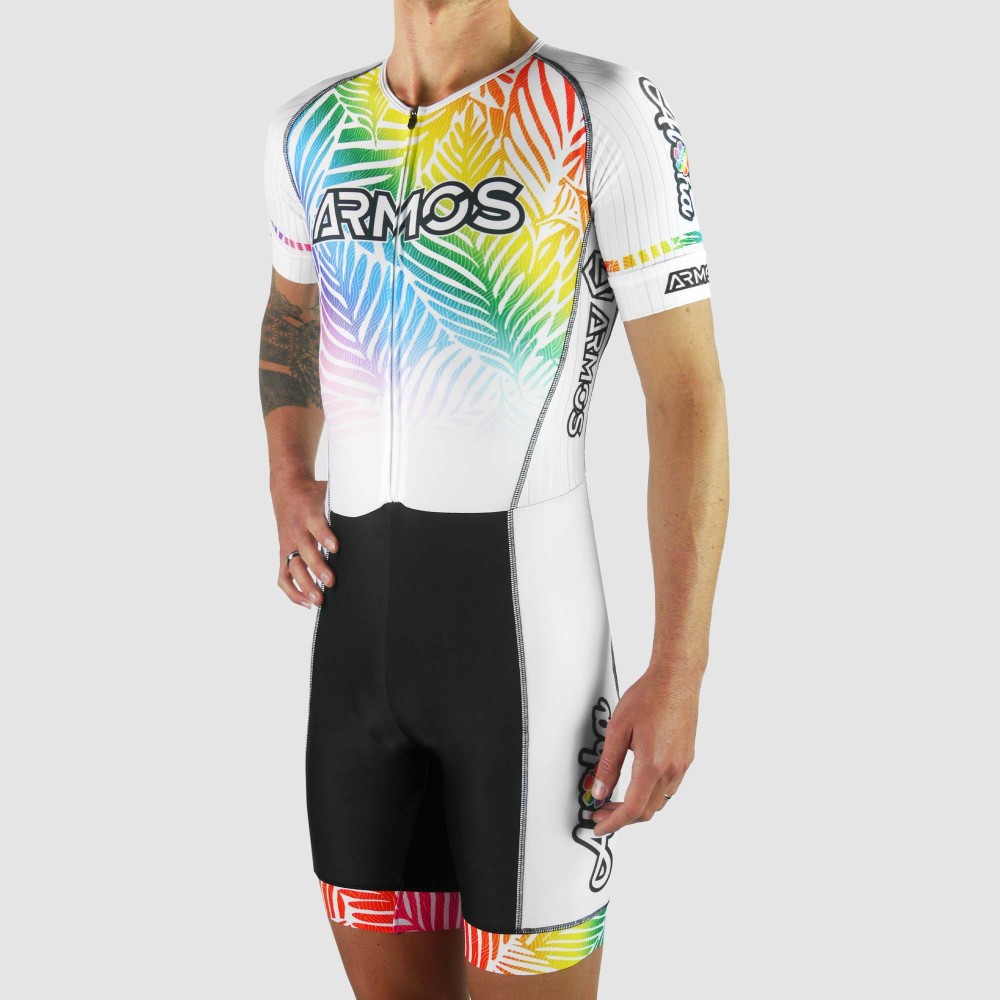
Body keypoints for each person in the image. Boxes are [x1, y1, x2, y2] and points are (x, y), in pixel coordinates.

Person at [259, 2, 729, 996]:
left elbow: (685, 398)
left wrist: (679, 666)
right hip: (353, 662)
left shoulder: (601, 109)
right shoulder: (310, 128)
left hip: (529, 662)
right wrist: (288, 471)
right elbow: (290, 310)